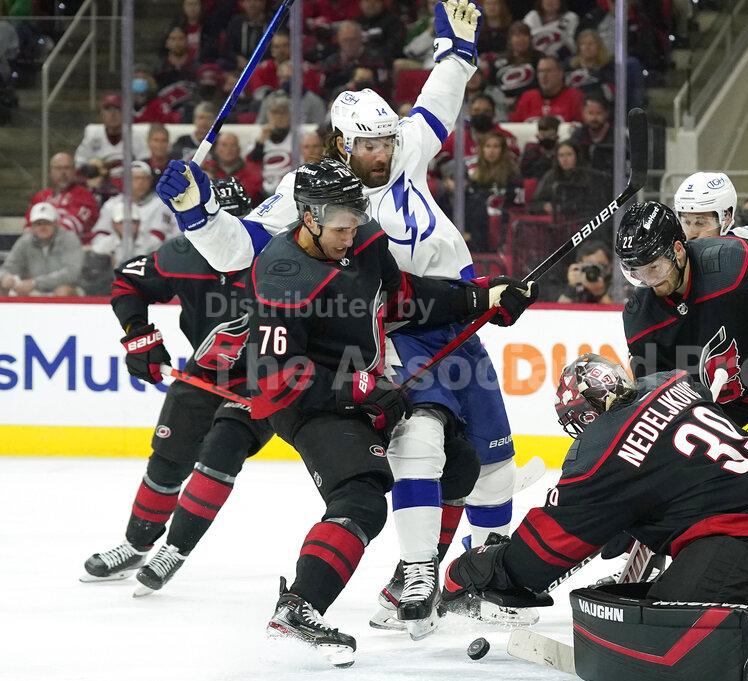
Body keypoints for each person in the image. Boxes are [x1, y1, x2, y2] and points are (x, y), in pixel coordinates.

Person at [154, 0, 539, 640]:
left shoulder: (399, 150)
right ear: (340, 143)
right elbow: (242, 251)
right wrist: (198, 214)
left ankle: (478, 576)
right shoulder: (313, 194)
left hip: (451, 304)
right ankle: (416, 573)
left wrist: (458, 52)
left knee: (491, 458)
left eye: (387, 141)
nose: (383, 153)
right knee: (424, 441)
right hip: (399, 328)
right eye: (368, 144)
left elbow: (437, 105)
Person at [242, 159, 532, 664]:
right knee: (362, 498)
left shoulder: (365, 239)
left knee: (460, 465)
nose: (351, 231)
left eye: (356, 217)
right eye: (340, 224)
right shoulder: (282, 272)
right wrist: (355, 389)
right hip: (305, 405)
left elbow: (405, 300)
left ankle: (407, 584)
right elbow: (274, 379)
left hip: (362, 389)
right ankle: (299, 606)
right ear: (308, 217)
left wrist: (477, 296)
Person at [443, 355, 748, 680]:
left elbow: (540, 556)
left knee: (663, 636)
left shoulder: (600, 454)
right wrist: (631, 513)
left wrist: (481, 565)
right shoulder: (676, 382)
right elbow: (675, 465)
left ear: (584, 417)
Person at [81, 178, 275, 595]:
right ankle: (136, 545)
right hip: (205, 374)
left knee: (222, 450)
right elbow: (128, 282)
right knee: (168, 458)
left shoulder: (277, 258)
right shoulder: (185, 254)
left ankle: (176, 548)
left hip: (267, 381)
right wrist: (139, 336)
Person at [615, 200, 748, 462]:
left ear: (678, 250)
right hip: (728, 424)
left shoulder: (729, 260)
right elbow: (658, 400)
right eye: (636, 273)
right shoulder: (640, 320)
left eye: (655, 268)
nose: (650, 281)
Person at [0, 202, 84, 297]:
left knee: (63, 291)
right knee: (4, 288)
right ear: (32, 226)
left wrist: (35, 283)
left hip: (65, 288)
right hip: (32, 290)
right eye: (38, 224)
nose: (42, 227)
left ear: (56, 223)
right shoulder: (25, 241)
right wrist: (4, 277)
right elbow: (8, 267)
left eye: (47, 223)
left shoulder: (69, 239)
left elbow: (72, 273)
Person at [93, 161, 174, 249]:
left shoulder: (160, 204)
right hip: (113, 254)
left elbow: (157, 238)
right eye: (136, 178)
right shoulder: (111, 205)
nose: (140, 183)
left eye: (145, 178)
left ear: (150, 180)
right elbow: (99, 238)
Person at [463, 132, 522, 251]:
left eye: (496, 146)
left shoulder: (512, 174)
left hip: (502, 223)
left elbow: (517, 203)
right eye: (488, 146)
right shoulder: (474, 176)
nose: (491, 151)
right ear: (482, 149)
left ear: (502, 150)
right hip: (476, 224)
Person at [25, 151, 99, 238]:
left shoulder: (85, 196)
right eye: (58, 168)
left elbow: (70, 227)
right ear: (50, 172)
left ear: (74, 171)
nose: (62, 172)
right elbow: (28, 227)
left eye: (67, 168)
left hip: (71, 248)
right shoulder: (40, 197)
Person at [74, 94, 147, 173]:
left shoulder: (135, 135)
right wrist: (90, 169)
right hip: (100, 181)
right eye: (108, 110)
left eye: (117, 109)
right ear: (102, 114)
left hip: (128, 181)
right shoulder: (93, 133)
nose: (113, 114)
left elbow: (145, 159)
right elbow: (80, 159)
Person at [531, 142, 608, 218]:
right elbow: (534, 204)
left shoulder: (587, 175)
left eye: (569, 154)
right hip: (557, 222)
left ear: (577, 156)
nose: (565, 159)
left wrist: (564, 208)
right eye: (561, 155)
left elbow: (592, 205)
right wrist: (544, 206)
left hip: (581, 221)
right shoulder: (551, 176)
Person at [247, 32, 324, 102]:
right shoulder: (262, 70)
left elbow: (311, 97)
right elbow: (258, 96)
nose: (281, 50)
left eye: (285, 45)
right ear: (272, 50)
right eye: (277, 47)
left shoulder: (304, 69)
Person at [509, 55, 584, 123]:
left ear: (560, 73)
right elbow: (514, 125)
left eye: (548, 71)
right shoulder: (528, 97)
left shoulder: (574, 96)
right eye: (540, 71)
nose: (544, 76)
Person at [248, 93, 295, 197]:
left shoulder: (298, 135)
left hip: (291, 188)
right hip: (263, 189)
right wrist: (260, 143)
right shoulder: (258, 134)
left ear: (289, 114)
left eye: (282, 112)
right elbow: (252, 163)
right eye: (274, 112)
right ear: (268, 114)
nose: (278, 116)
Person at [200, 132, 263, 202]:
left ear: (239, 149)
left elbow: (249, 194)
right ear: (215, 149)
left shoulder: (251, 170)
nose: (229, 149)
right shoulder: (205, 168)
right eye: (224, 145)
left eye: (233, 145)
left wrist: (213, 185)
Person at [490, 21, 541, 103]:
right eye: (517, 35)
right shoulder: (498, 61)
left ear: (530, 38)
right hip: (504, 105)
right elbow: (491, 86)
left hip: (533, 102)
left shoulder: (539, 59)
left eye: (524, 35)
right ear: (510, 39)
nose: (521, 39)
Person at [568, 94, 612, 170]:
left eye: (598, 113)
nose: (594, 118)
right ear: (583, 113)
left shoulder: (618, 137)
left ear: (607, 113)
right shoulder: (578, 135)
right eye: (590, 113)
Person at [223, 0, 269, 70]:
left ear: (263, 2)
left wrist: (263, 63)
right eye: (248, 0)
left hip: (263, 66)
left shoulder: (271, 23)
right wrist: (237, 58)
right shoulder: (236, 23)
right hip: (238, 66)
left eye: (256, 0)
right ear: (243, 3)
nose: (252, 3)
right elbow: (227, 48)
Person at [519, 114, 560, 179]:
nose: (546, 138)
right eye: (543, 135)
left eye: (550, 135)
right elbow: (524, 173)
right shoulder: (530, 153)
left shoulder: (562, 152)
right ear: (538, 135)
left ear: (556, 135)